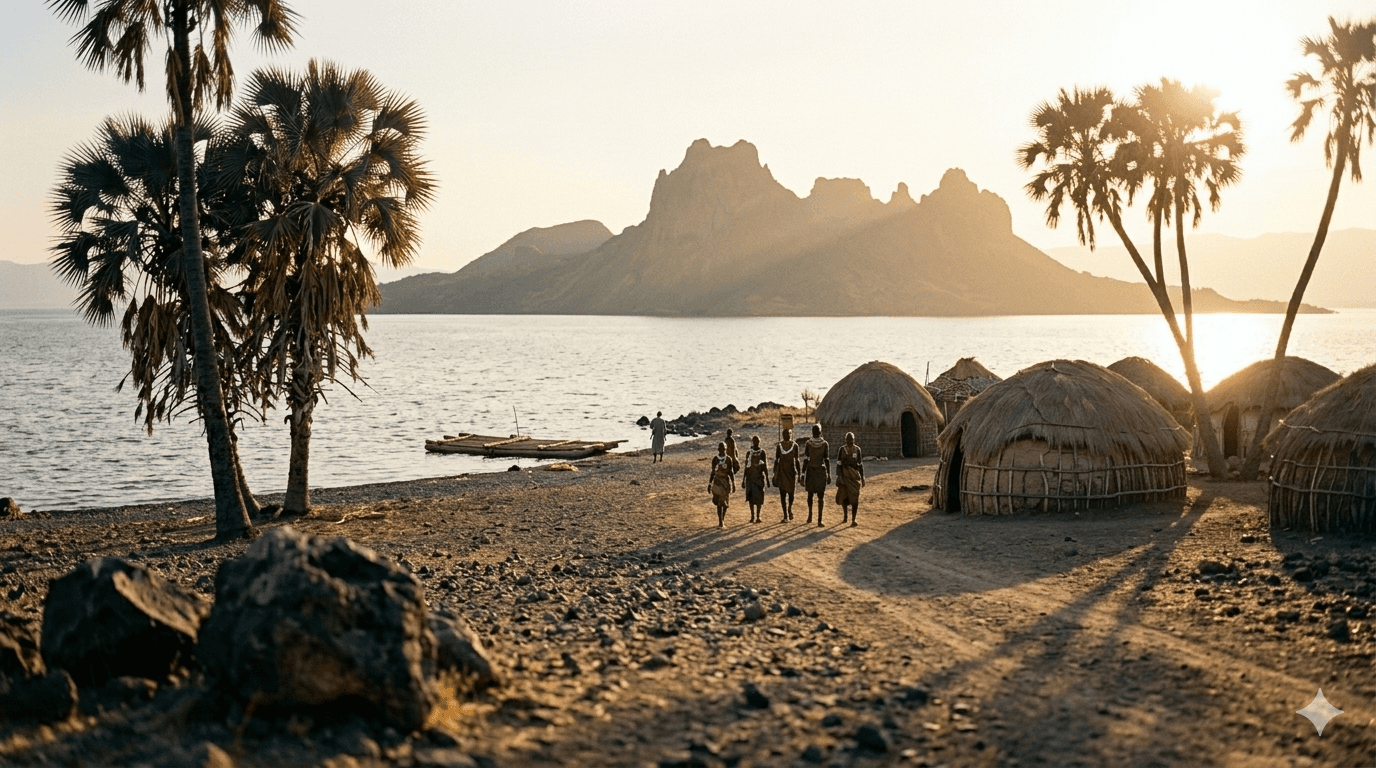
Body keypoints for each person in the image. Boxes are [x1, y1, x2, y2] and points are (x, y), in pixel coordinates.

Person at [801, 424, 830, 526]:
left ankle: (819, 519)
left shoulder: (824, 444)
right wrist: (803, 473)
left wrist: (829, 474)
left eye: (817, 431)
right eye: (815, 431)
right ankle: (811, 516)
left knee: (820, 496)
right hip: (813, 472)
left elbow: (826, 459)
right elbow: (806, 459)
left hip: (818, 472)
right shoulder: (809, 443)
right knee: (811, 495)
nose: (816, 432)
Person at [835, 432, 865, 526]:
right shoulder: (842, 450)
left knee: (855, 499)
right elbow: (838, 464)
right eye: (848, 439)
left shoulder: (857, 450)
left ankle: (853, 519)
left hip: (854, 479)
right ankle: (845, 517)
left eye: (851, 439)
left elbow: (860, 464)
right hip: (844, 477)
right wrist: (839, 476)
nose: (850, 441)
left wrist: (862, 478)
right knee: (844, 498)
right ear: (845, 440)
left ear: (854, 439)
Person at [773, 428, 800, 522]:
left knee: (791, 494)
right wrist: (774, 473)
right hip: (782, 472)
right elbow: (776, 459)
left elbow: (797, 460)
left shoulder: (795, 445)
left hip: (791, 472)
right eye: (784, 434)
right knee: (783, 495)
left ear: (791, 434)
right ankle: (785, 515)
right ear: (782, 435)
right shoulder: (779, 446)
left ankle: (789, 508)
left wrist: (799, 474)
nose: (786, 435)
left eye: (788, 434)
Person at [742, 435, 769, 523]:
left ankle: (758, 516)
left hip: (759, 478)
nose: (755, 442)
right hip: (750, 478)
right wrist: (743, 480)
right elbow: (746, 467)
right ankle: (752, 516)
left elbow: (765, 466)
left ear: (759, 442)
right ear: (752, 442)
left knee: (759, 497)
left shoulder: (762, 452)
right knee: (750, 497)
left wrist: (767, 478)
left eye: (757, 441)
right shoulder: (749, 453)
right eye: (754, 441)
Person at [709, 441, 735, 528]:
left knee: (725, 504)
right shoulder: (715, 459)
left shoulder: (728, 459)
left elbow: (731, 472)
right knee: (719, 503)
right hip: (717, 483)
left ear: (726, 449)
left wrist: (733, 483)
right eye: (720, 449)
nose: (722, 450)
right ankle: (720, 521)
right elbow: (712, 472)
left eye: (723, 449)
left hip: (725, 483)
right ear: (718, 449)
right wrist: (709, 483)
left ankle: (722, 518)